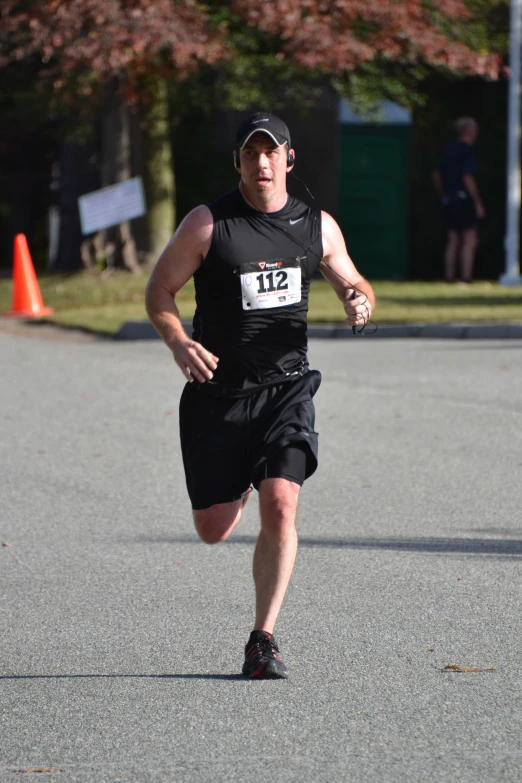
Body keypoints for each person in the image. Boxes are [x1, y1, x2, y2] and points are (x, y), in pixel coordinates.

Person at [145, 111, 375, 679]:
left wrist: (360, 300)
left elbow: (355, 279)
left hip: (287, 389)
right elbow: (160, 289)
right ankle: (243, 478)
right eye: (251, 152)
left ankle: (262, 639)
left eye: (272, 152)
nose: (262, 162)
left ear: (290, 160)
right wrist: (178, 342)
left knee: (283, 502)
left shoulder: (316, 226)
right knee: (213, 529)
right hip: (218, 394)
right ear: (239, 162)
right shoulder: (208, 224)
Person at [432, 117, 485, 284]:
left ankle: (449, 277)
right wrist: (477, 202)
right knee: (469, 239)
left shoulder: (449, 150)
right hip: (463, 199)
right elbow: (467, 176)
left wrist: (444, 194)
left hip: (449, 200)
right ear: (470, 132)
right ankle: (466, 278)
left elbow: (436, 174)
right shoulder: (467, 151)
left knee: (453, 239)